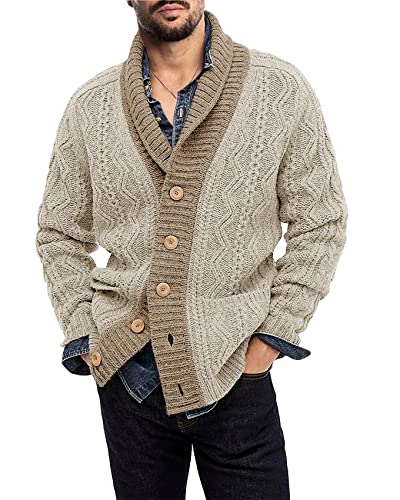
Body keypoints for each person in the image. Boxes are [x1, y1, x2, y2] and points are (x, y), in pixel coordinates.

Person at [35, 2, 348, 499]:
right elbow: (59, 231)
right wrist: (85, 331)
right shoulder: (90, 107)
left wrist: (274, 334)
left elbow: (320, 219)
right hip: (130, 377)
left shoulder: (278, 89)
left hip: (236, 368)